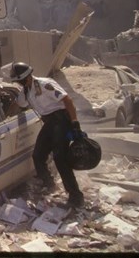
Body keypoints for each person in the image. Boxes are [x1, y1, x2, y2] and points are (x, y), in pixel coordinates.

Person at [6, 62, 85, 208]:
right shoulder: (26, 91)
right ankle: (49, 185)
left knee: (60, 158)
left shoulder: (45, 84)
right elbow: (18, 105)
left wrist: (74, 122)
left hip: (61, 121)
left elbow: (67, 101)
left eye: (20, 80)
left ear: (28, 77)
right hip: (49, 123)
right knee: (38, 155)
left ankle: (76, 196)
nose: (20, 83)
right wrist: (6, 114)